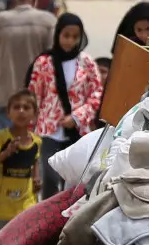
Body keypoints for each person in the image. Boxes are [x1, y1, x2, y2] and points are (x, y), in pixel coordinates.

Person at [27, 14, 103, 200]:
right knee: (50, 179)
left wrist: (77, 117)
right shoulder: (43, 62)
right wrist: (29, 131)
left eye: (74, 36)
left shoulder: (87, 62)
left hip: (78, 131)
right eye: (66, 35)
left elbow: (96, 94)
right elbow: (33, 97)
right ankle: (47, 223)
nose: (70, 41)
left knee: (76, 180)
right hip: (48, 130)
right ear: (58, 34)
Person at [0, 0, 57, 132]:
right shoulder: (48, 21)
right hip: (37, 100)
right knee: (34, 149)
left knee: (6, 149)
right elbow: (53, 62)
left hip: (6, 98)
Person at [0, 90, 41, 239]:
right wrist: (6, 153)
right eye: (16, 107)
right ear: (8, 113)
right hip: (0, 207)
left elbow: (35, 161)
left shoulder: (36, 141)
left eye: (26, 108)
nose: (21, 111)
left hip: (25, 206)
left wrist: (36, 179)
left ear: (35, 114)